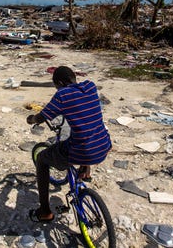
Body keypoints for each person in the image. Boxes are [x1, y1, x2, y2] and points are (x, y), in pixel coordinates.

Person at [26, 66, 112, 222]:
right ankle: (85, 169)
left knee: (42, 160)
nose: (57, 89)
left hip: (83, 150)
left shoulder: (62, 95)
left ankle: (45, 211)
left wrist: (31, 119)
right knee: (83, 131)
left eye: (56, 86)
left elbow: (41, 117)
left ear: (59, 83)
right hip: (103, 144)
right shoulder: (90, 86)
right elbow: (82, 112)